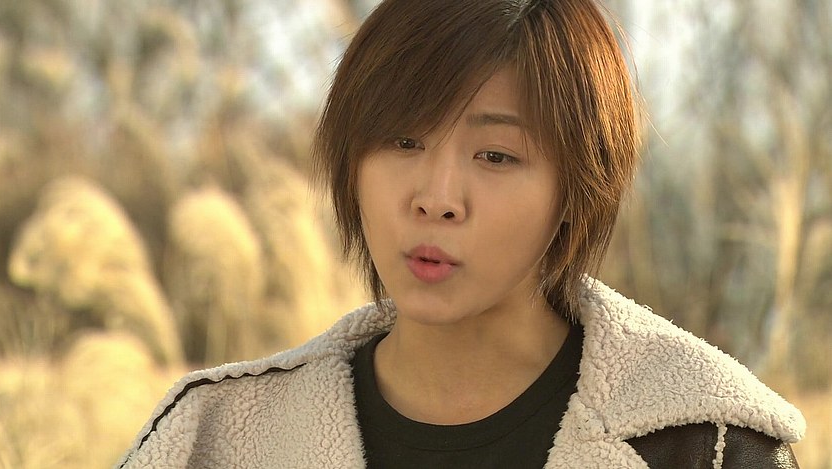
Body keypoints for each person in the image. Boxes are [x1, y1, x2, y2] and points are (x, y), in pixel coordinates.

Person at [116, 0, 805, 467]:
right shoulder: (216, 436)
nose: (436, 199)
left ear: (576, 186)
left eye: (495, 156)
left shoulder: (701, 438)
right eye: (402, 141)